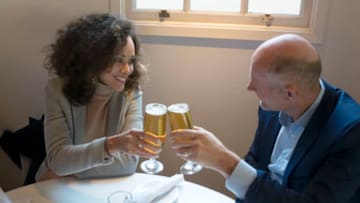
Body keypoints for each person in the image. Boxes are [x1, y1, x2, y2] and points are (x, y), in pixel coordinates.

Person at [169, 34, 360, 202]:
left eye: (256, 82)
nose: (249, 87)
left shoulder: (351, 134)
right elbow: (255, 163)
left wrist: (224, 161)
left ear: (290, 94)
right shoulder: (272, 105)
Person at [36, 13, 161, 181]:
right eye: (118, 60)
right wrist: (112, 145)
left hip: (80, 182)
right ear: (93, 59)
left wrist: (69, 168)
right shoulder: (57, 90)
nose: (128, 70)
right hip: (57, 187)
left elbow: (128, 163)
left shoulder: (132, 91)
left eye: (131, 61)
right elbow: (58, 159)